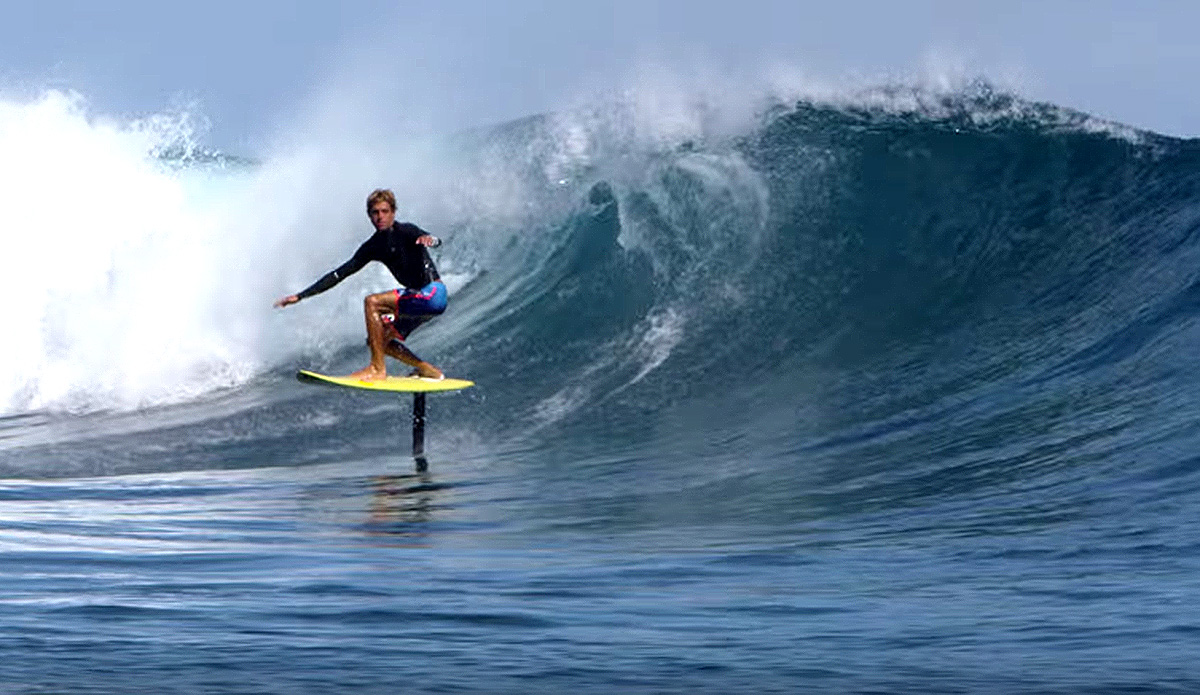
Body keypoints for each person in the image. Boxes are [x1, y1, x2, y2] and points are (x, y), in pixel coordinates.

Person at [274, 189, 447, 381]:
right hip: (418, 302)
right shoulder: (373, 246)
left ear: (393, 212)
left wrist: (431, 240)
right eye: (375, 212)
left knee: (371, 302)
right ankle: (427, 369)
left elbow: (433, 239)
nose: (380, 217)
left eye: (384, 211)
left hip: (433, 294)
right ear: (369, 216)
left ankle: (377, 369)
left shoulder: (406, 231)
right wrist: (300, 296)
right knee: (378, 340)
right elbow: (339, 274)